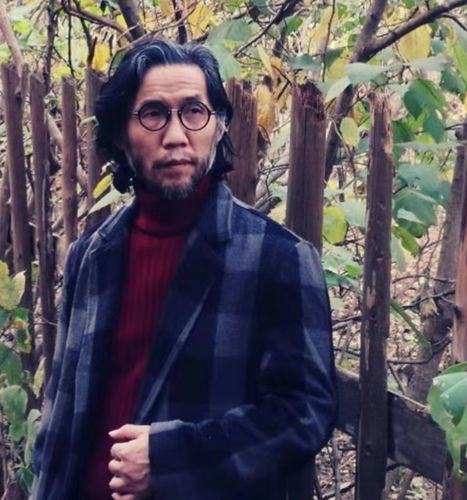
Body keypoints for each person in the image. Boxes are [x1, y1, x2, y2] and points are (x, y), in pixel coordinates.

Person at [32, 39, 337, 500]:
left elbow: (305, 412)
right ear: (120, 134)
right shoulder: (92, 254)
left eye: (194, 112)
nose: (176, 136)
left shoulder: (277, 258)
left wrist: (171, 458)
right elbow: (62, 404)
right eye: (153, 114)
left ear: (218, 126)